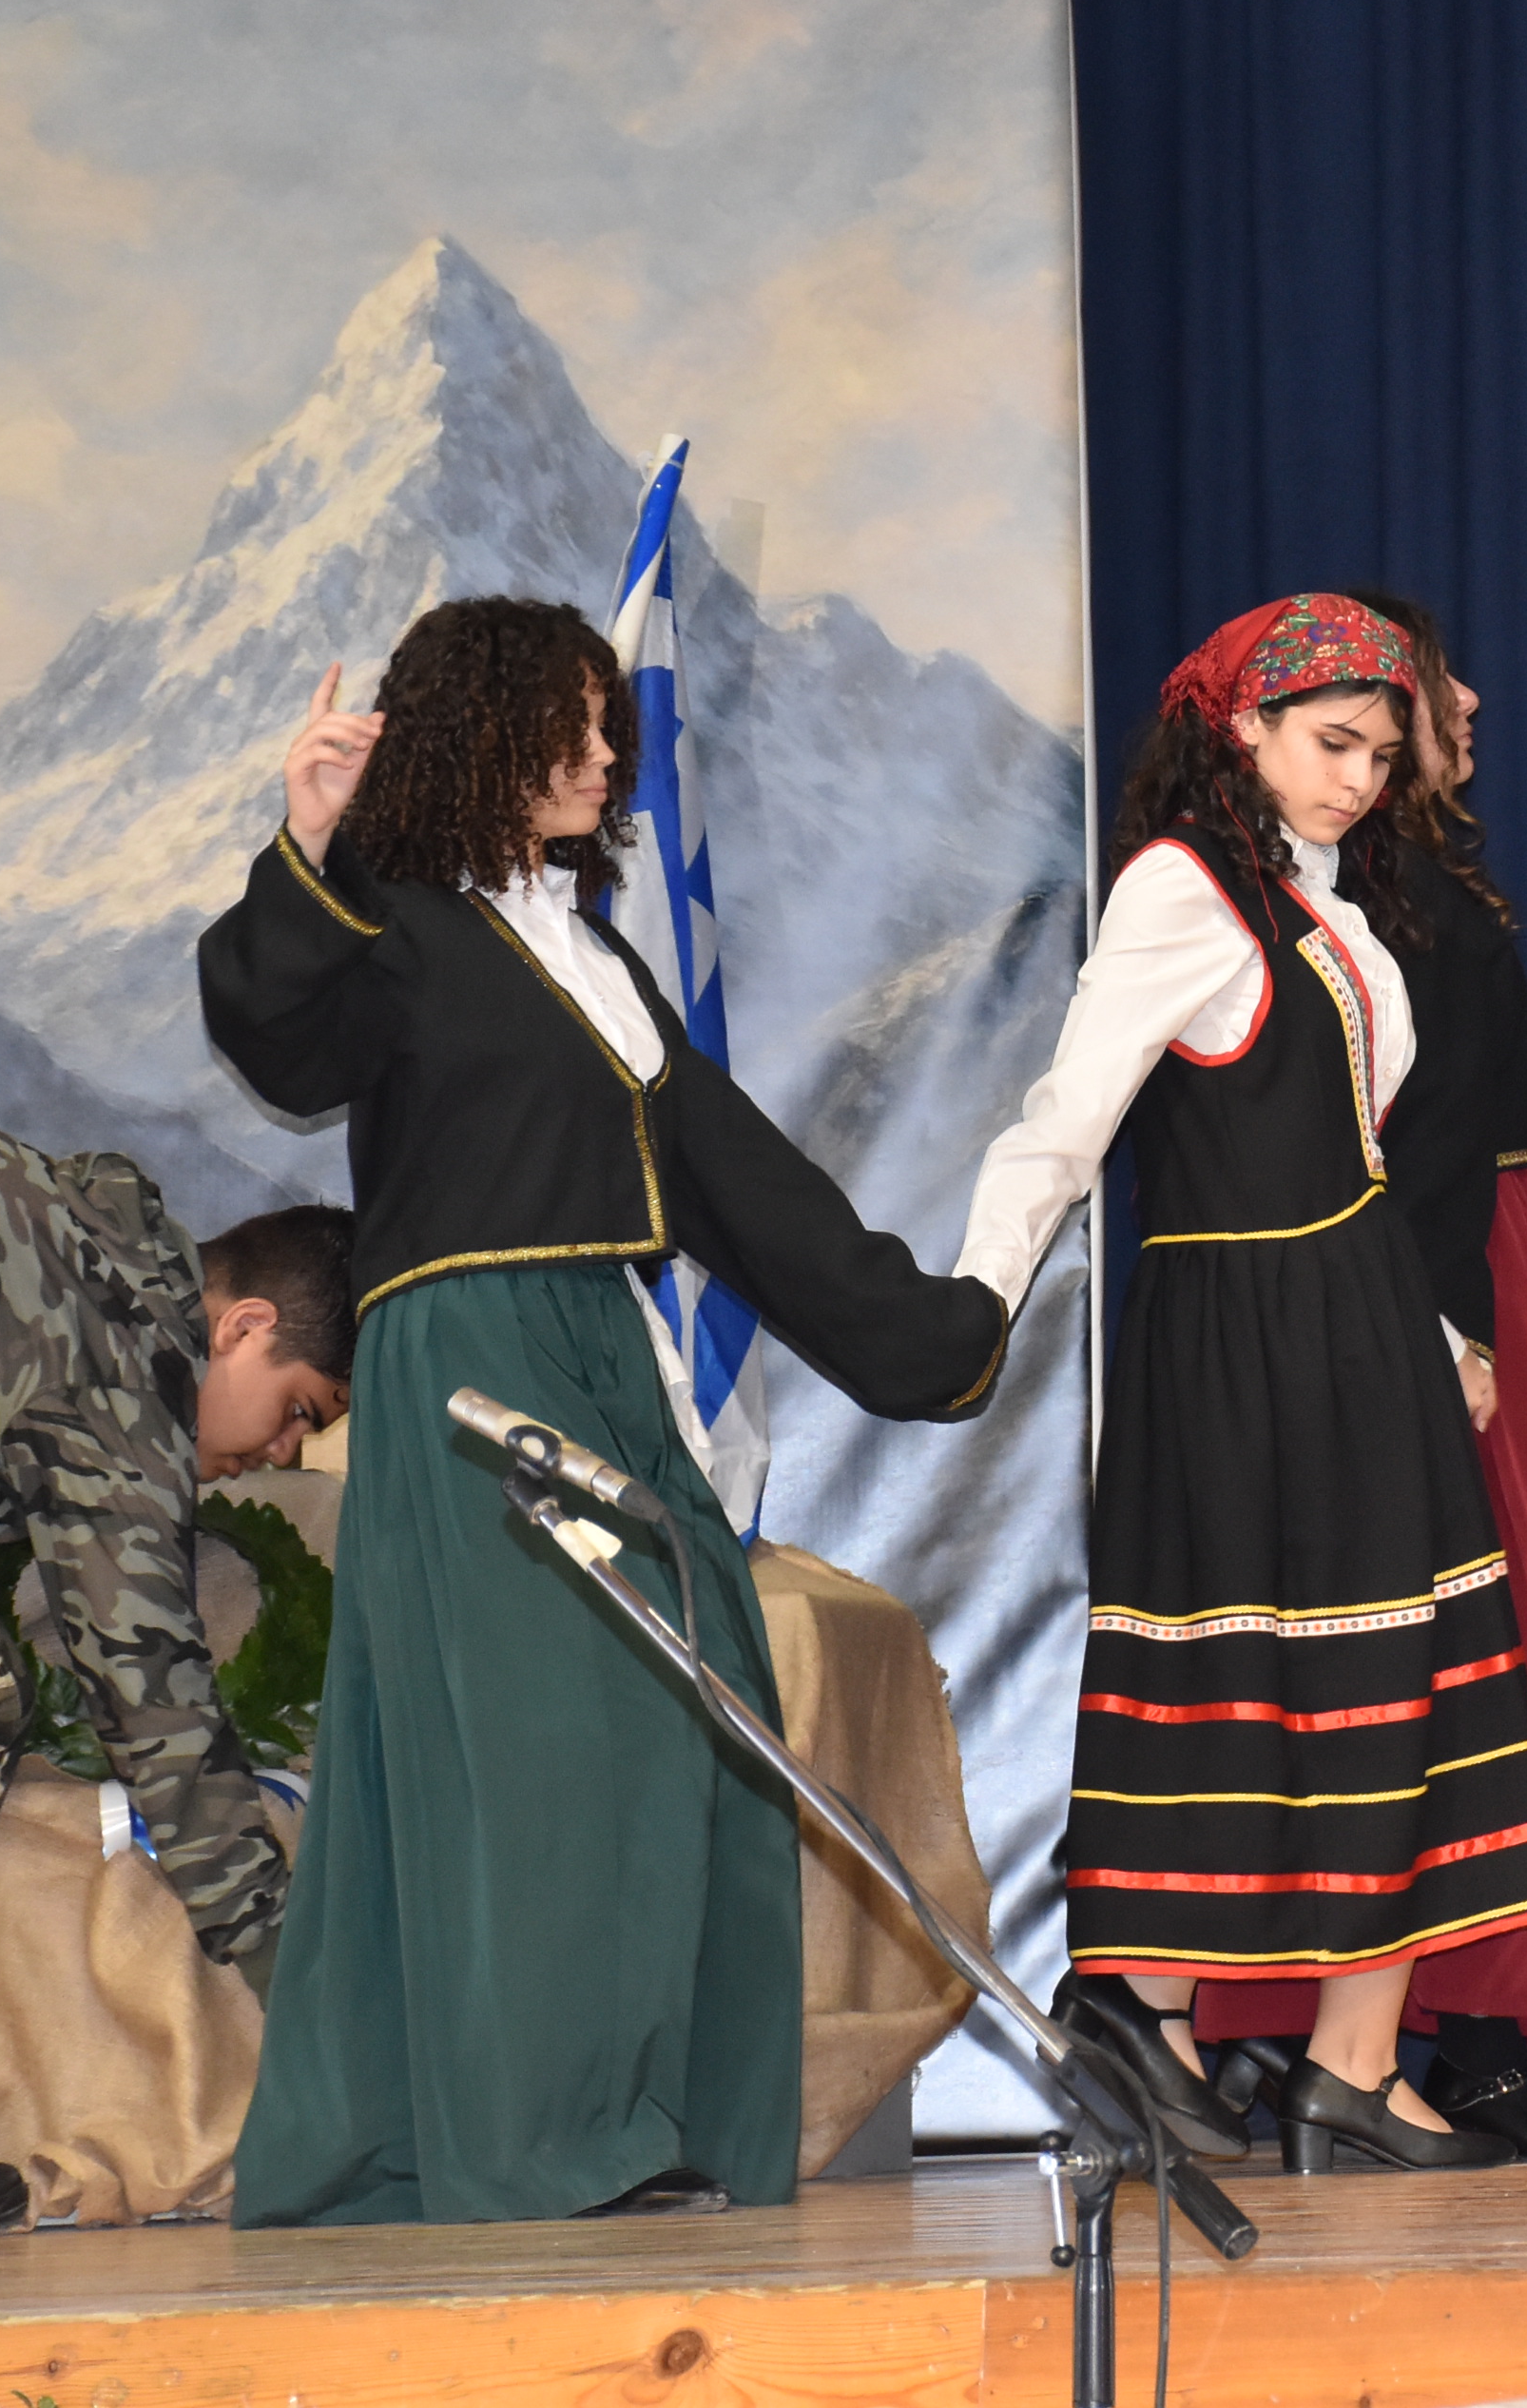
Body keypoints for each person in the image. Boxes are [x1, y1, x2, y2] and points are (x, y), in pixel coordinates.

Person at [202, 597, 1012, 2225]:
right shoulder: (397, 919)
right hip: (472, 1366)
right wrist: (309, 840)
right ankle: (543, 2143)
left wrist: (940, 1335)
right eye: (565, 726)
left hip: (599, 1359)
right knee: (551, 1748)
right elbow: (278, 1038)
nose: (600, 754)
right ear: (477, 736)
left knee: (692, 1714)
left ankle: (650, 2119)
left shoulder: (595, 954)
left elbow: (740, 1182)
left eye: (605, 727)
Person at [958, 593, 1527, 2178]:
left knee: (1391, 1677)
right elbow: (1066, 1119)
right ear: (1245, 726)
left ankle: (1323, 2055)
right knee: (1270, 1669)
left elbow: (1356, 1157)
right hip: (1250, 1331)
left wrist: (1437, 1335)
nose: (1360, 779)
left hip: (1354, 1315)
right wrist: (973, 1300)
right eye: (1333, 744)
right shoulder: (1184, 887)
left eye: (1378, 752)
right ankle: (1184, 2016)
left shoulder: (1320, 897)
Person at [1176, 592, 1527, 2165]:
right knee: (1450, 1663)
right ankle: (1412, 2039)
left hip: (1488, 1270)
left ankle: (1440, 2033)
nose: (1467, 704)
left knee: (1498, 1671)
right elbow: (1407, 1150)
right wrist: (1452, 1324)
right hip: (1431, 1276)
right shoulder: (1367, 904)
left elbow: (1481, 1144)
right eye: (1431, 687)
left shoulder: (1411, 890)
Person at [0, 1113, 351, 2244]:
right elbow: (148, 1694)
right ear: (243, 1327)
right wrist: (298, 1980)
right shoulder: (123, 1366)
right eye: (299, 1409)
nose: (284, 1453)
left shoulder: (77, 1248)